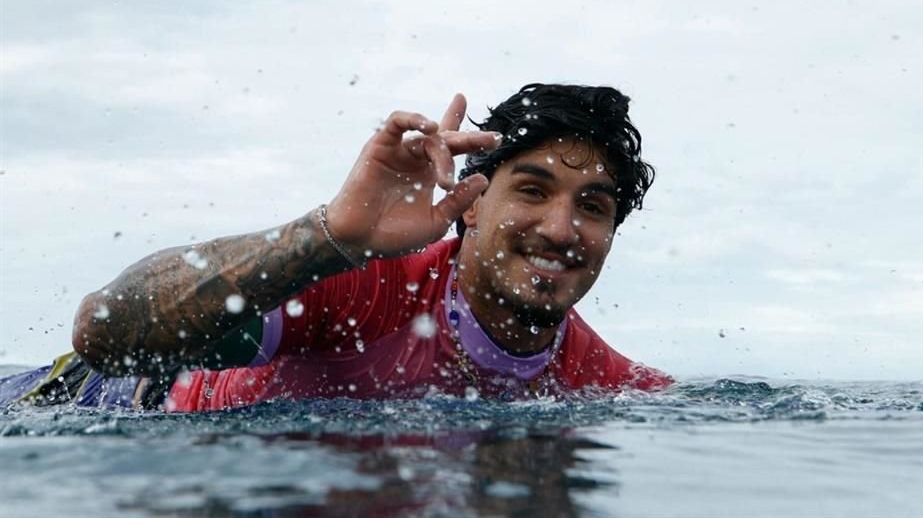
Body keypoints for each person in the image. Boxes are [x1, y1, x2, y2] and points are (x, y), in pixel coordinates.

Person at [1, 83, 672, 410]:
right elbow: (105, 331)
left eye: (592, 206)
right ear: (470, 207)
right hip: (105, 413)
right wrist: (333, 237)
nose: (561, 228)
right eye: (532, 189)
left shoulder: (607, 384)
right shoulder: (371, 289)